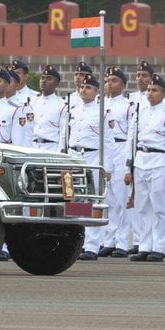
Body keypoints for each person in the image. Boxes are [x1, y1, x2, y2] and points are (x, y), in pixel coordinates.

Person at [125, 73, 165, 262]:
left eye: (154, 90)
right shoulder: (140, 112)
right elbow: (131, 140)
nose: (150, 93)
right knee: (142, 206)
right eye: (148, 90)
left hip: (159, 161)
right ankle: (145, 245)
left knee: (159, 207)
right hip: (141, 160)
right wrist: (128, 167)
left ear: (163, 93)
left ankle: (158, 247)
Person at [100, 66, 135, 257]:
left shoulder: (128, 106)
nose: (109, 84)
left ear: (122, 84)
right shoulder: (100, 104)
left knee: (121, 199)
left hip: (121, 149)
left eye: (114, 80)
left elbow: (131, 134)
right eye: (107, 81)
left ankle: (121, 242)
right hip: (106, 151)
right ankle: (108, 239)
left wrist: (129, 161)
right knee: (108, 199)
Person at [70, 74, 105, 261]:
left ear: (97, 92)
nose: (84, 90)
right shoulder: (74, 110)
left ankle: (92, 245)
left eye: (88, 87)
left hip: (92, 156)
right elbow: (65, 135)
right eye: (82, 87)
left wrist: (107, 167)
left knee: (92, 201)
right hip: (74, 156)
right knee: (75, 201)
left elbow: (107, 141)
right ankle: (79, 242)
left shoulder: (102, 112)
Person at [30, 65, 68, 151]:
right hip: (33, 146)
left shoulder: (62, 105)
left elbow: (63, 132)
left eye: (48, 79)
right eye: (42, 78)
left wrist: (60, 151)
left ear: (56, 83)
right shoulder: (33, 103)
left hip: (51, 148)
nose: (44, 81)